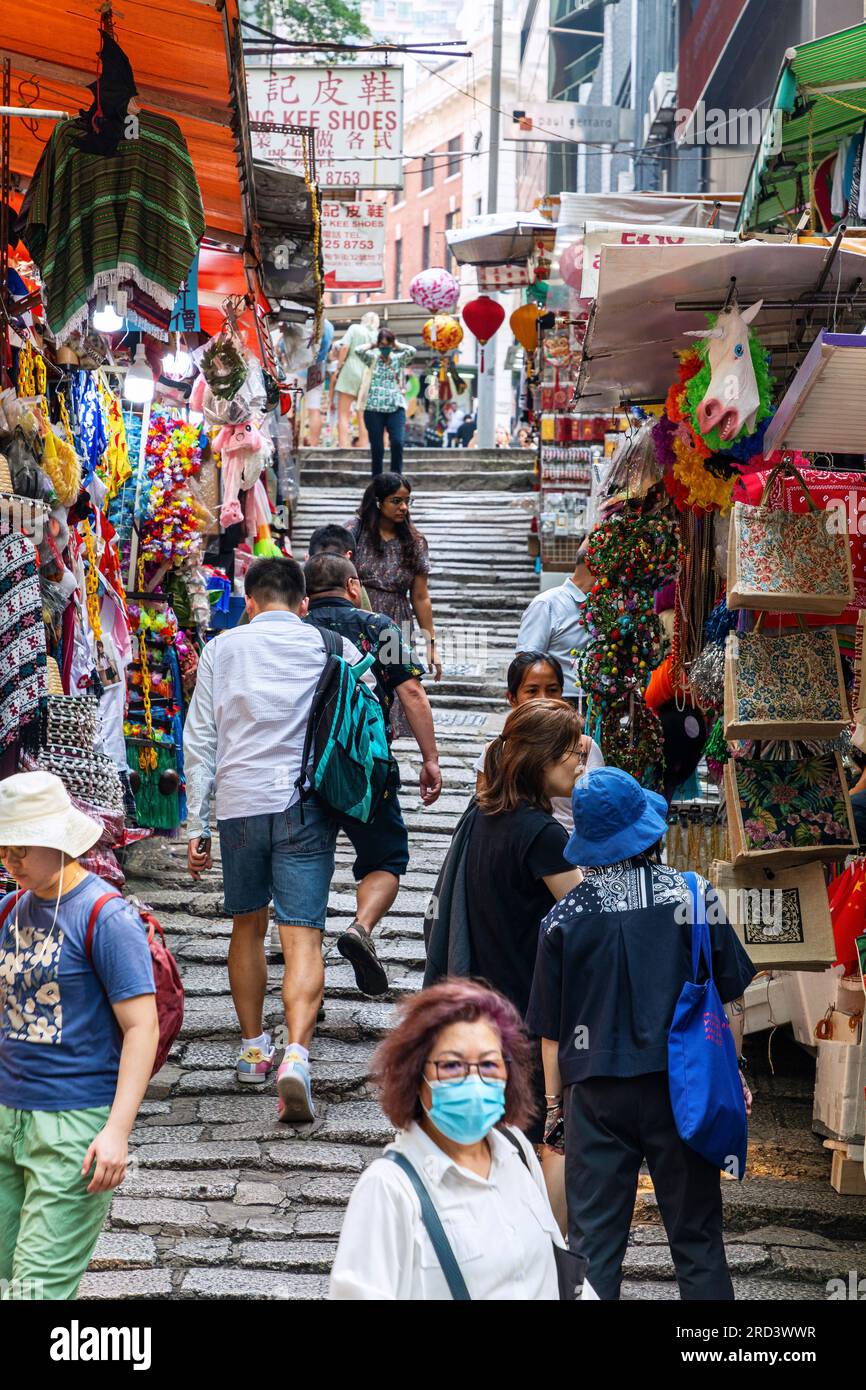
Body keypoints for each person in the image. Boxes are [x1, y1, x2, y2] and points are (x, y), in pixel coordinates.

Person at [526, 767, 757, 1302]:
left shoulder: (562, 919)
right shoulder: (693, 895)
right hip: (683, 1090)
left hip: (596, 1097)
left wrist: (557, 1111)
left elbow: (553, 1037)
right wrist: (733, 1072)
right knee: (698, 1239)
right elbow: (730, 1002)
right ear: (648, 832)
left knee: (589, 1248)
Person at [183, 556, 369, 1123]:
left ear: (249, 600)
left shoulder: (221, 649)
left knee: (247, 923)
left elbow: (200, 739)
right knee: (302, 935)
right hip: (305, 805)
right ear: (305, 603)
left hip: (239, 806)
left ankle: (251, 1049)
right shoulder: (333, 647)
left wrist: (198, 824)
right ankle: (296, 1054)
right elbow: (366, 711)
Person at [0, 771, 159, 1300]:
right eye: (5, 847)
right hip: (7, 1117)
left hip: (72, 1128)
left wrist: (117, 1130)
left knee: (35, 1293)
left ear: (57, 839)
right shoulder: (8, 911)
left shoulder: (104, 915)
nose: (11, 859)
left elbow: (142, 1027)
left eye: (21, 847)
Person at [432, 699, 586, 1228]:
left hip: (486, 1004)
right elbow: (588, 918)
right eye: (570, 749)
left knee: (494, 1140)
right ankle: (536, 1258)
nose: (580, 759)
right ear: (541, 758)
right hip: (527, 1012)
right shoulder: (542, 836)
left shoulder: (487, 815)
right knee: (541, 1139)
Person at [329, 979, 573, 1301]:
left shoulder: (517, 1152)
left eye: (489, 1064)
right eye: (451, 1065)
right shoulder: (389, 1189)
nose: (473, 1079)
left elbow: (558, 1274)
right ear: (416, 1075)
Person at [303, 553, 443, 994]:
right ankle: (360, 928)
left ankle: (302, 963)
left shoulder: (298, 631)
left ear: (305, 596)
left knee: (303, 863)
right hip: (365, 769)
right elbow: (412, 693)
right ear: (351, 585)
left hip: (303, 770)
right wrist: (430, 758)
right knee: (385, 858)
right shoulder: (379, 626)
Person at [349, 474, 441, 737]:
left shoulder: (414, 541)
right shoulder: (354, 534)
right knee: (359, 684)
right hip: (359, 618)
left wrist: (431, 645)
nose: (404, 507)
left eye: (407, 501)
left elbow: (421, 596)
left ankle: (384, 751)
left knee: (397, 687)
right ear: (378, 502)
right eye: (396, 501)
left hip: (397, 622)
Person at [474, 652, 604, 831]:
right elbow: (484, 813)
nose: (544, 698)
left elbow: (597, 812)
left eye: (552, 690)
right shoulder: (495, 751)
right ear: (512, 698)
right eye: (532, 691)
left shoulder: (585, 747)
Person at [515, 539, 594, 699]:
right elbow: (526, 664)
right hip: (559, 703)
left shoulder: (605, 607)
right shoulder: (547, 604)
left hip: (597, 704)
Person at [358, 328, 415, 477]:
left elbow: (412, 351)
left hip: (395, 406)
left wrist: (396, 344)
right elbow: (358, 350)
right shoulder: (372, 358)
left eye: (387, 345)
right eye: (382, 345)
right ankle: (377, 480)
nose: (385, 348)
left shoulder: (397, 359)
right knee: (377, 448)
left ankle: (396, 477)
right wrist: (373, 345)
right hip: (373, 408)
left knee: (397, 442)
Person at [334, 311, 379, 449]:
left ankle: (344, 445)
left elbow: (345, 347)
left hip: (350, 369)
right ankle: (364, 445)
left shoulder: (355, 328)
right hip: (367, 374)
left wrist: (339, 366)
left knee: (343, 413)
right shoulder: (378, 335)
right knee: (363, 414)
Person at [307, 523, 372, 611]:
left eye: (332, 559)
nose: (324, 564)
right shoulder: (302, 582)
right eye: (320, 560)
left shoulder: (355, 585)